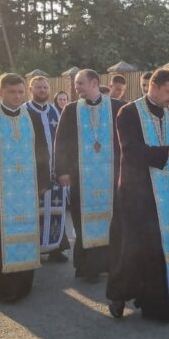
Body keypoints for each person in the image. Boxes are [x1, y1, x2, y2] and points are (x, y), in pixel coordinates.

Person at [107, 68, 169, 321]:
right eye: (168, 93)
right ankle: (118, 295)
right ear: (153, 87)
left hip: (163, 198)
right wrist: (167, 153)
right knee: (131, 250)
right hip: (136, 194)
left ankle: (154, 305)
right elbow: (130, 151)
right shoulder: (128, 113)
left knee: (157, 251)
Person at [0, 73, 50, 302]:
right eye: (12, 92)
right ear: (0, 92)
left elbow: (42, 150)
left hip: (26, 191)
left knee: (24, 234)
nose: (17, 96)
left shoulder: (31, 117)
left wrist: (43, 181)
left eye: (20, 92)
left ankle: (22, 284)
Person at [55, 69, 125, 282]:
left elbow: (125, 142)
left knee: (113, 221)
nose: (76, 88)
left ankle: (111, 264)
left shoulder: (117, 107)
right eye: (76, 84)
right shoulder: (71, 109)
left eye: (80, 83)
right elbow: (62, 142)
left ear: (94, 82)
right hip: (81, 177)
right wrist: (62, 171)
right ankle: (87, 267)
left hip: (112, 177)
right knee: (82, 221)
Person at [27, 75, 69, 263]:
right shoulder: (24, 111)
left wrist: (64, 169)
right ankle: (34, 248)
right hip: (34, 173)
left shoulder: (56, 111)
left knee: (56, 210)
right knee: (35, 211)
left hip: (56, 171)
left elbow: (64, 142)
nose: (42, 90)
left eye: (45, 87)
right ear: (31, 89)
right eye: (38, 87)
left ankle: (55, 248)